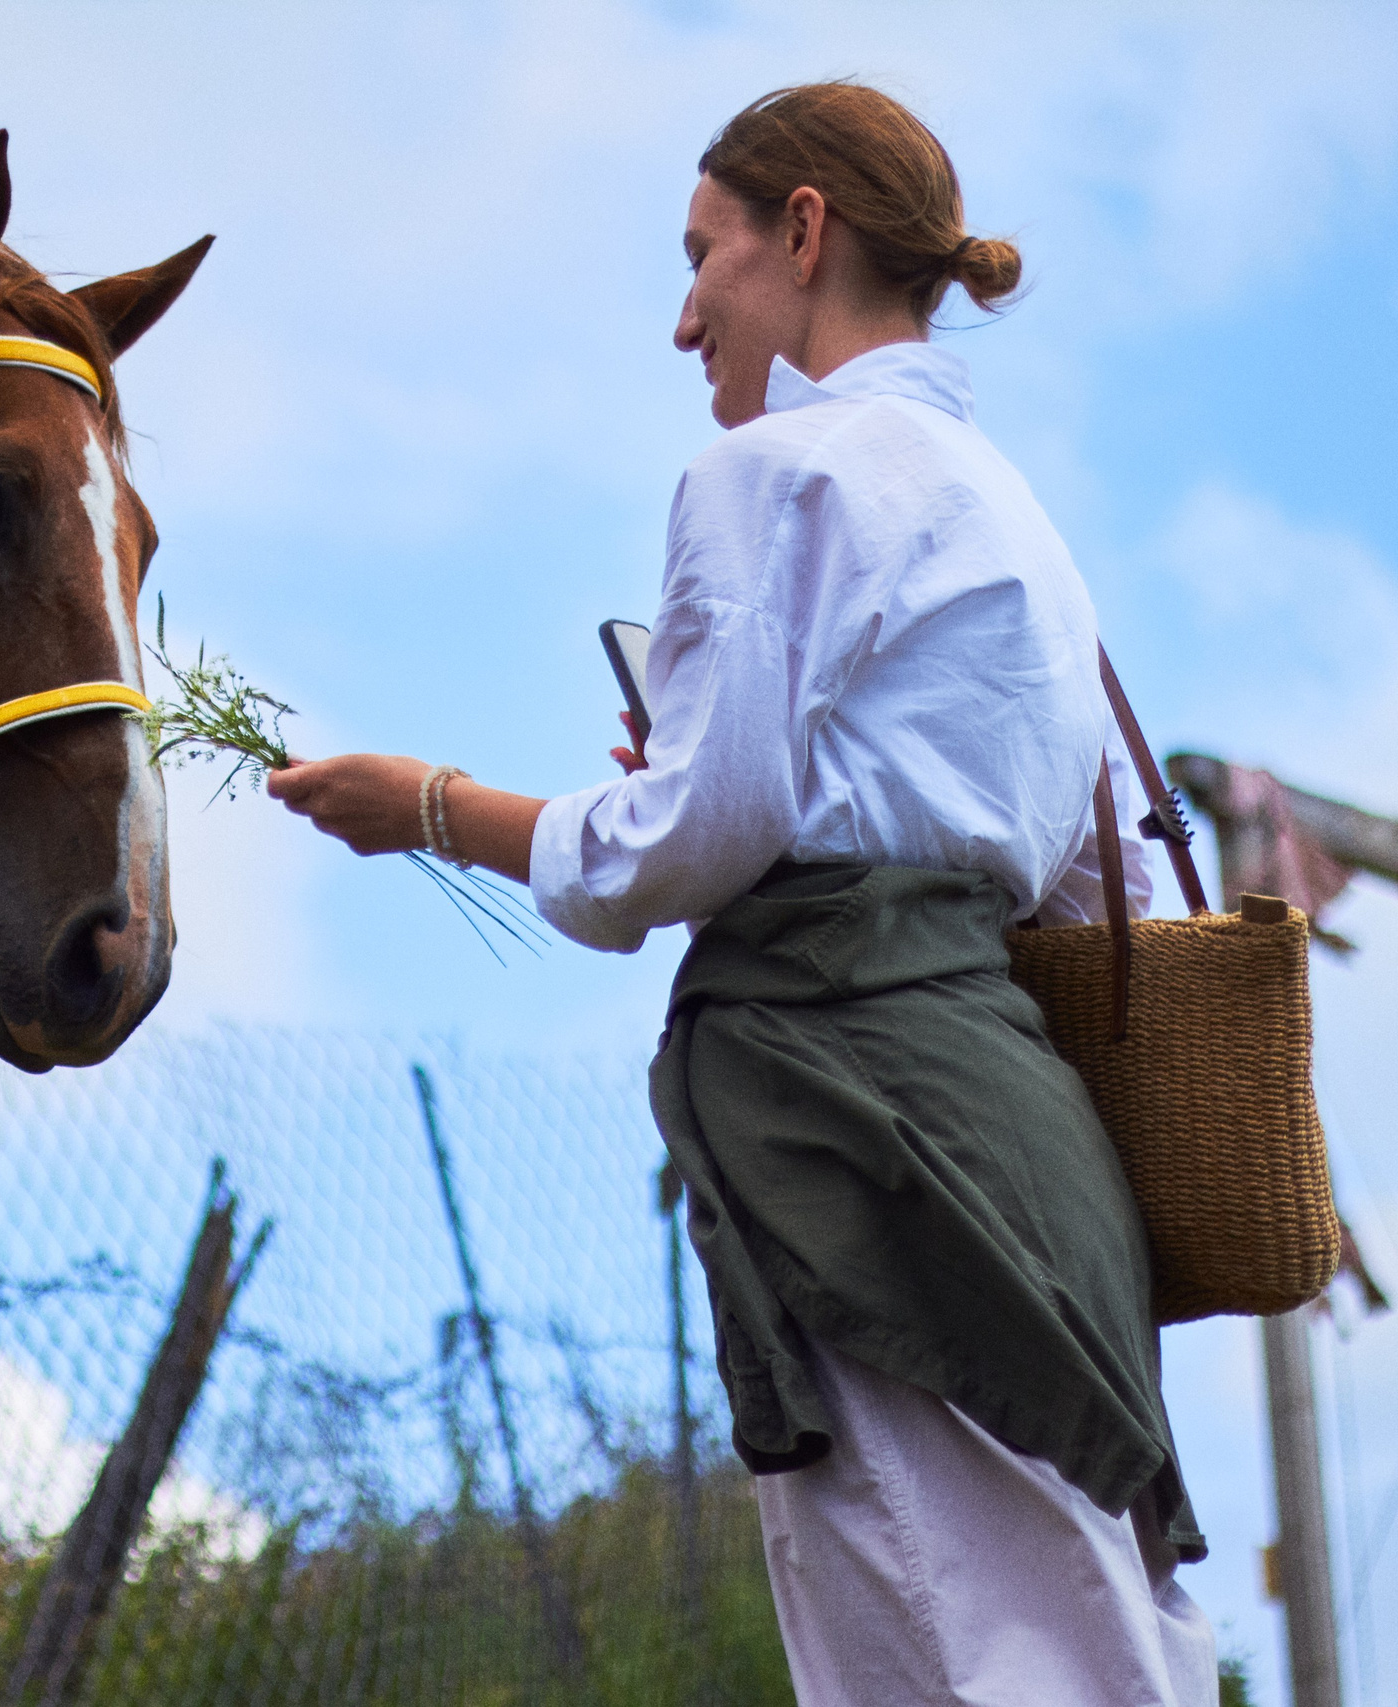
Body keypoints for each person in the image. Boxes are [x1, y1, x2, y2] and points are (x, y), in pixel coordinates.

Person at [267, 82, 1219, 1707]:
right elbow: (1103, 872)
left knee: (946, 1653)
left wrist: (423, 805)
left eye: (702, 254)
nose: (682, 312)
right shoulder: (1018, 523)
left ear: (803, 231)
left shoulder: (776, 475)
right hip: (1034, 1158)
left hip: (870, 1140)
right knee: (1086, 1641)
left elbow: (687, 843)